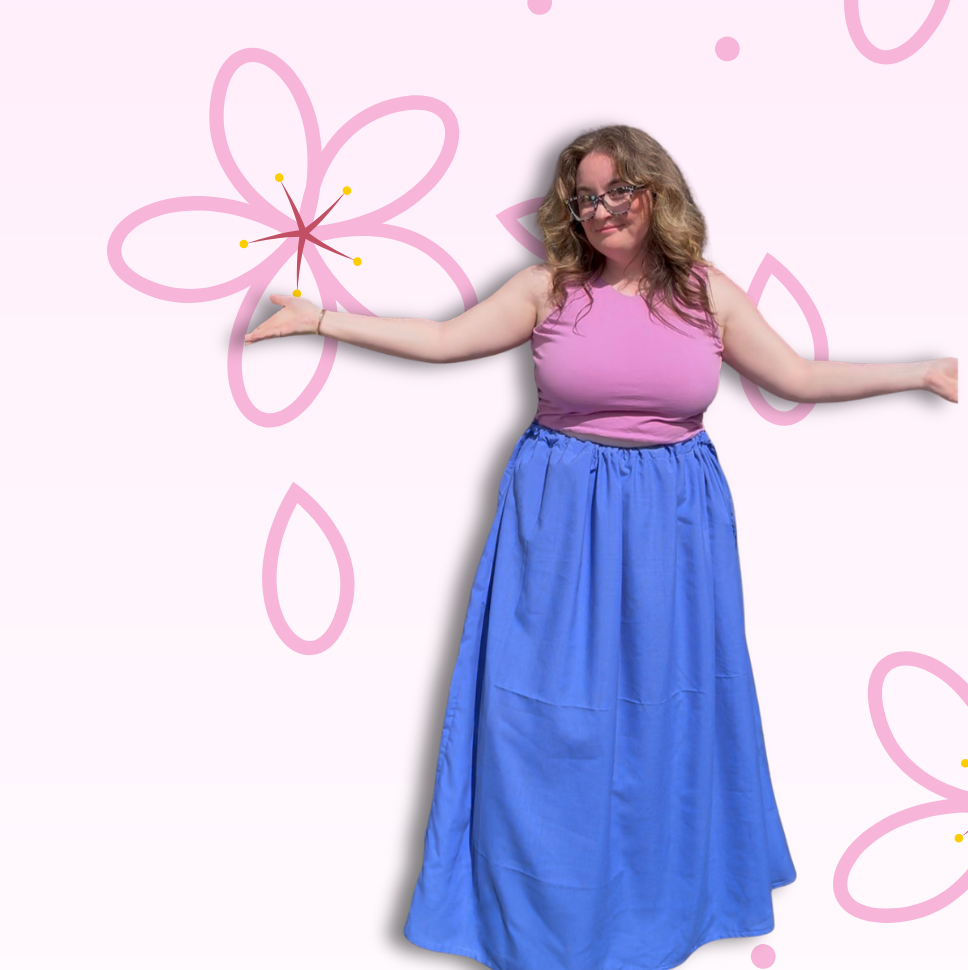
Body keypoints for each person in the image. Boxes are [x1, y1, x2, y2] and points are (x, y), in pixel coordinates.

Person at [243, 125, 958, 970]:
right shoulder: (547, 289)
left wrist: (921, 373)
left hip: (675, 530)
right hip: (561, 524)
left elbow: (796, 377)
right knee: (539, 719)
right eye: (585, 197)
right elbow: (441, 342)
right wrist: (321, 318)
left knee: (672, 714)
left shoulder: (706, 294)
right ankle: (538, 919)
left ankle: (662, 909)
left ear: (655, 194)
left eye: (618, 191)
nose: (602, 210)